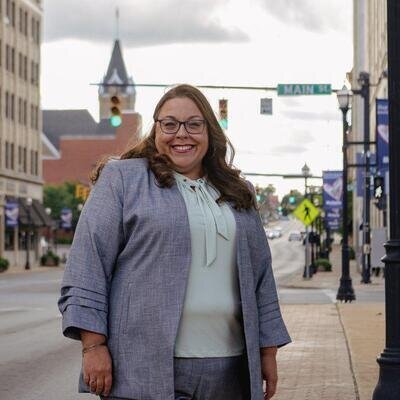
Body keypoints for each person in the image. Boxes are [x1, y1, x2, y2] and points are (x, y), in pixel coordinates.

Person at [58, 84, 291, 400]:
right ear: (156, 129)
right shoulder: (123, 180)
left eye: (194, 124)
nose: (182, 134)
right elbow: (88, 265)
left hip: (230, 370)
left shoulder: (238, 191)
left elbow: (261, 277)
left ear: (209, 131)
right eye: (169, 124)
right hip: (142, 369)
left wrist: (267, 351)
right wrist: (93, 345)